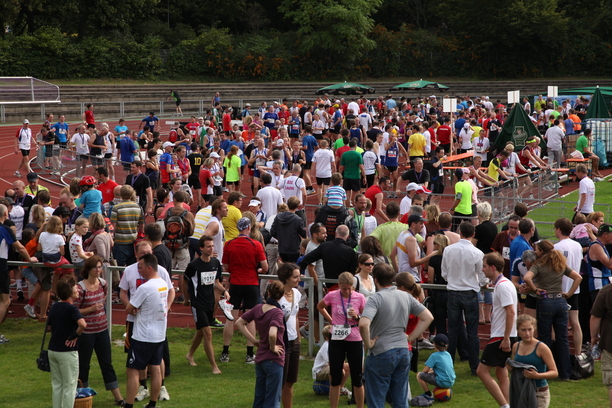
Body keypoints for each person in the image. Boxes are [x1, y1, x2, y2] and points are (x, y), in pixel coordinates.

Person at [359, 264, 433, 408]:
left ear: (375, 279)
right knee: (400, 398)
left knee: (376, 400)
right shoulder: (405, 296)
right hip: (403, 351)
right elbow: (428, 317)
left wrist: (368, 344)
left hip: (381, 352)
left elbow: (363, 324)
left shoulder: (375, 299)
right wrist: (411, 337)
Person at [523, 240, 582, 381]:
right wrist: (569, 293)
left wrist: (535, 289)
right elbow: (578, 277)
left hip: (545, 302)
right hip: (561, 302)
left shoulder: (538, 265)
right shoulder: (559, 264)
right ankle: (565, 373)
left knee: (545, 338)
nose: (535, 252)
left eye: (537, 250)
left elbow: (527, 277)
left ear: (541, 251)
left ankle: (546, 371)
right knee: (562, 339)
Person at [75, 256, 124, 404]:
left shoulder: (103, 284)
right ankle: (83, 397)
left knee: (107, 364)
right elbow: (74, 311)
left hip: (102, 330)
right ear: (88, 269)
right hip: (86, 333)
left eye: (99, 267)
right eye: (95, 267)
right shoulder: (80, 288)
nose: (98, 270)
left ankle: (118, 397)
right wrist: (90, 309)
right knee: (84, 365)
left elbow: (104, 299)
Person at [442, 221, 488, 375]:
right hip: (469, 293)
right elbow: (482, 275)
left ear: (459, 232)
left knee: (453, 331)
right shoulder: (477, 253)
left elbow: (444, 273)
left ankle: (448, 365)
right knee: (472, 332)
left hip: (453, 292)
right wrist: (483, 283)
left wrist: (453, 280)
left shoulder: (448, 250)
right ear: (473, 234)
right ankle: (474, 367)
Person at [221, 217, 269, 363]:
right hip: (251, 284)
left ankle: (225, 352)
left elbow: (226, 266)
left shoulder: (229, 244)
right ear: (248, 228)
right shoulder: (256, 244)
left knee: (231, 318)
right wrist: (256, 270)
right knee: (250, 319)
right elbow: (265, 267)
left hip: (235, 283)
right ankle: (249, 354)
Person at [124, 254, 169, 408]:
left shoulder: (145, 287)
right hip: (159, 335)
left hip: (143, 336)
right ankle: (152, 404)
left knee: (132, 370)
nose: (139, 270)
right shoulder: (162, 283)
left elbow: (129, 308)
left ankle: (129, 405)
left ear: (149, 268)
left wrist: (134, 307)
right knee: (156, 368)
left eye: (141, 267)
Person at [318, 272, 366, 408]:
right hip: (337, 338)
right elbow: (320, 306)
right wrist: (331, 320)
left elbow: (366, 316)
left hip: (354, 338)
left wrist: (357, 316)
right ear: (339, 285)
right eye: (344, 288)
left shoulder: (360, 297)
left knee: (357, 378)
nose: (347, 291)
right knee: (335, 378)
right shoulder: (332, 295)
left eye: (349, 288)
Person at [235, 280, 286, 408]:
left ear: (268, 292)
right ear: (282, 295)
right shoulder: (277, 313)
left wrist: (253, 340)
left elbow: (239, 323)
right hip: (274, 359)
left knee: (259, 397)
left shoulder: (258, 308)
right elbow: (272, 334)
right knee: (272, 399)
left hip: (260, 357)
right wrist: (273, 347)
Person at [477, 252, 518, 408]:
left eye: (484, 266)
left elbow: (511, 312)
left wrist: (506, 338)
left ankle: (504, 405)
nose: (482, 269)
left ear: (492, 267)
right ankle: (509, 404)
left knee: (482, 371)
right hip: (503, 335)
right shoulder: (503, 284)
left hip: (501, 336)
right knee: (501, 372)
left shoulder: (503, 286)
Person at [183, 235, 226, 373]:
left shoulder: (215, 263)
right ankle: (214, 366)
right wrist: (186, 298)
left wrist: (225, 291)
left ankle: (190, 354)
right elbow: (184, 281)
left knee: (201, 332)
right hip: (198, 303)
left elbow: (216, 282)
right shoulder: (193, 265)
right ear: (201, 248)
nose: (211, 248)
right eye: (208, 246)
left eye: (212, 246)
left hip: (210, 302)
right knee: (208, 333)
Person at [47, 275, 87, 408]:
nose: (77, 289)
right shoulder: (72, 309)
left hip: (53, 349)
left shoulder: (54, 306)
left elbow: (48, 327)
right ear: (69, 290)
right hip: (67, 351)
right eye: (75, 287)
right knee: (70, 385)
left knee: (57, 385)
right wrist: (75, 335)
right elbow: (83, 324)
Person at [509, 315, 558, 408]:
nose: (527, 333)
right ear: (518, 330)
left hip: (539, 392)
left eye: (530, 329)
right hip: (521, 390)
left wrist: (537, 376)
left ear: (534, 329)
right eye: (523, 330)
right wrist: (510, 368)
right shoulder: (516, 346)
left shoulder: (541, 347)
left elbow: (554, 372)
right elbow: (516, 370)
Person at [553, 218, 584, 357]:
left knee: (556, 323)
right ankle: (578, 354)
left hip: (560, 289)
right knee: (575, 322)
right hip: (574, 288)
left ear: (559, 230)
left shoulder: (556, 247)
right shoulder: (577, 245)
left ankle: (556, 353)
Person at [298, 225, 358, 291]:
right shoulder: (350, 251)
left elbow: (306, 259)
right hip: (345, 287)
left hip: (330, 286)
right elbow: (354, 270)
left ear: (335, 233)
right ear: (348, 236)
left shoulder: (325, 246)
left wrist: (299, 272)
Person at [277, 263, 302, 408]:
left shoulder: (297, 294)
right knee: (280, 380)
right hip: (281, 341)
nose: (299, 279)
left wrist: (298, 336)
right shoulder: (277, 296)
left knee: (290, 381)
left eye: (299, 276)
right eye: (295, 277)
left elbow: (296, 316)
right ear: (286, 278)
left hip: (294, 340)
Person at [312, 325, 352, 396]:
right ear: (327, 338)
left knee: (349, 366)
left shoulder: (335, 345)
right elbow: (331, 363)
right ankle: (332, 391)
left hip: (327, 367)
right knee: (337, 370)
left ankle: (341, 388)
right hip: (319, 371)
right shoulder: (326, 346)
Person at [111, 185, 144, 267]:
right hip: (133, 242)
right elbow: (141, 226)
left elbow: (113, 227)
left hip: (120, 242)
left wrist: (111, 239)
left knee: (118, 268)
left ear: (121, 194)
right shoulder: (138, 207)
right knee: (132, 267)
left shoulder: (116, 208)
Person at [415, 334, 456, 402]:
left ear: (434, 345)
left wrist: (426, 373)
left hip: (442, 382)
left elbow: (425, 370)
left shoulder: (434, 356)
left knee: (419, 375)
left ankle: (428, 394)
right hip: (451, 381)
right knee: (432, 370)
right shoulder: (448, 354)